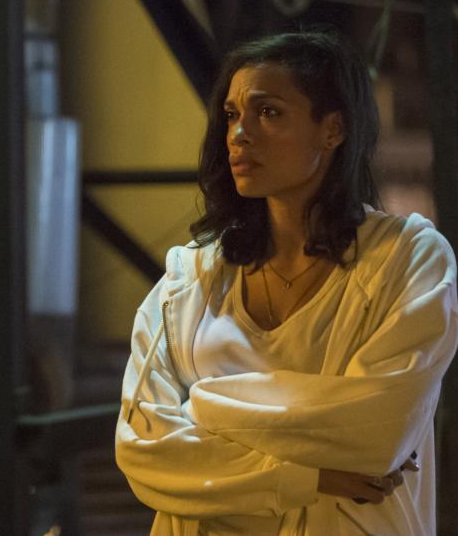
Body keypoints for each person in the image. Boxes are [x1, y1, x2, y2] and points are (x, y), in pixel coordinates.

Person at [115, 30, 457, 535]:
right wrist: (303, 476)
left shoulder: (408, 259)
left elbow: (379, 433)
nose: (239, 134)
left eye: (268, 112)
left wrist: (203, 411)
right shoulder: (190, 279)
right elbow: (143, 448)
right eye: (232, 114)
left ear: (333, 129)